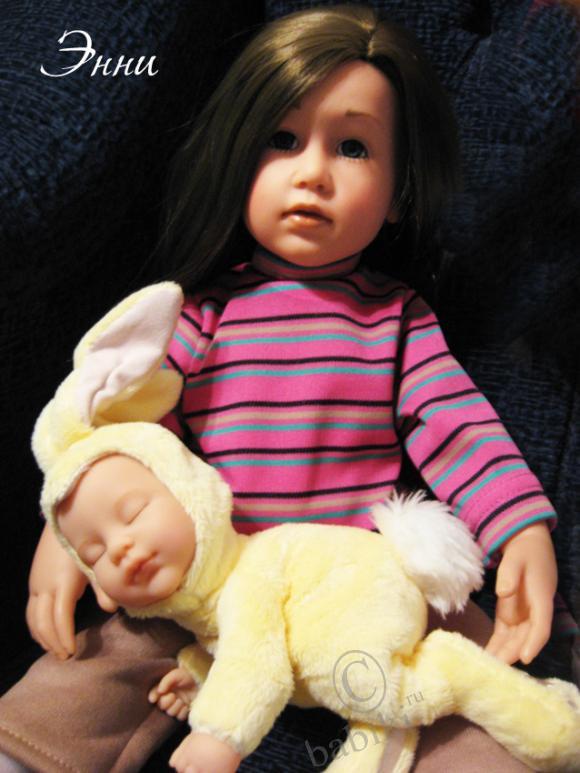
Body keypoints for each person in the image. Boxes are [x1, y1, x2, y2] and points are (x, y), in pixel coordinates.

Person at [0, 5, 562, 771]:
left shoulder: (396, 320)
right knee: (96, 667)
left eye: (353, 146)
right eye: (283, 140)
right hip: (212, 576)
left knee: (476, 680)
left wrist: (518, 527)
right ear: (238, 159)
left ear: (399, 191)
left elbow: (454, 424)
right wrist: (70, 533)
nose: (312, 173)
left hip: (358, 585)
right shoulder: (199, 314)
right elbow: (131, 433)